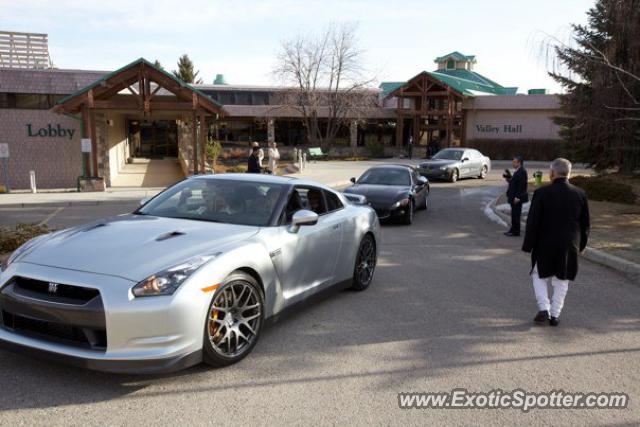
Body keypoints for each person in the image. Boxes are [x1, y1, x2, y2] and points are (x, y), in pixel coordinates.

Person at [522, 158, 590, 327]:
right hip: (569, 244)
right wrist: (582, 245)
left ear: (552, 173)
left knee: (539, 275)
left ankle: (544, 307)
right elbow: (585, 224)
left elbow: (533, 222)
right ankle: (555, 315)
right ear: (569, 173)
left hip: (545, 242)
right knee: (562, 280)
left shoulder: (541, 193)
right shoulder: (580, 194)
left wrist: (528, 245)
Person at [504, 156, 528, 236]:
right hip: (513, 196)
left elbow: (522, 186)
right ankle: (513, 229)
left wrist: (517, 197)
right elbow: (514, 183)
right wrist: (508, 178)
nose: (513, 163)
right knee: (514, 214)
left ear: (519, 163)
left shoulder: (522, 172)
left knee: (516, 215)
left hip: (517, 198)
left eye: (514, 162)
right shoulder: (517, 171)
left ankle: (516, 231)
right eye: (513, 161)